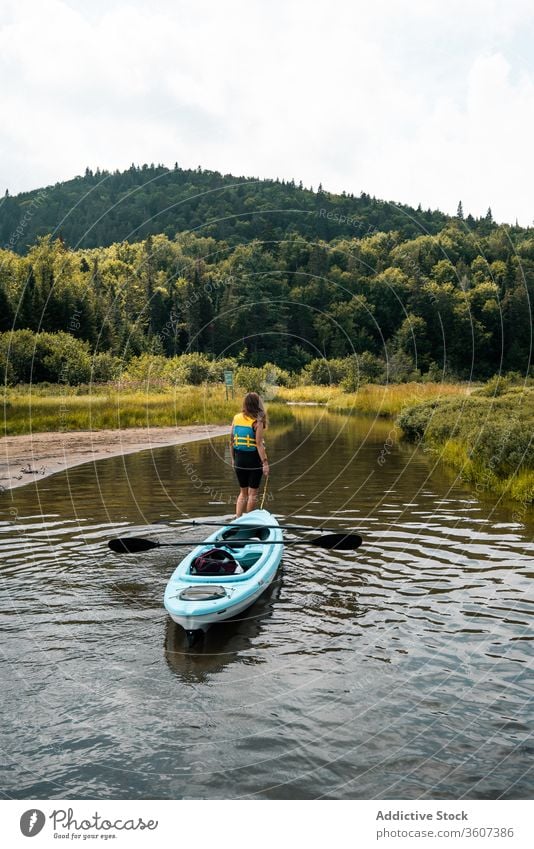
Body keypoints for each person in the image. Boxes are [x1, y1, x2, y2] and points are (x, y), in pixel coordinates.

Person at [230, 392, 269, 517]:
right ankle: (248, 520)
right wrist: (265, 463)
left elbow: (231, 440)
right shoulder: (258, 421)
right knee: (252, 493)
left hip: (239, 459)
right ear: (258, 405)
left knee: (243, 492)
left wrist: (233, 459)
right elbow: (258, 444)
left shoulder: (236, 418)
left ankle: (238, 518)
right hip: (253, 460)